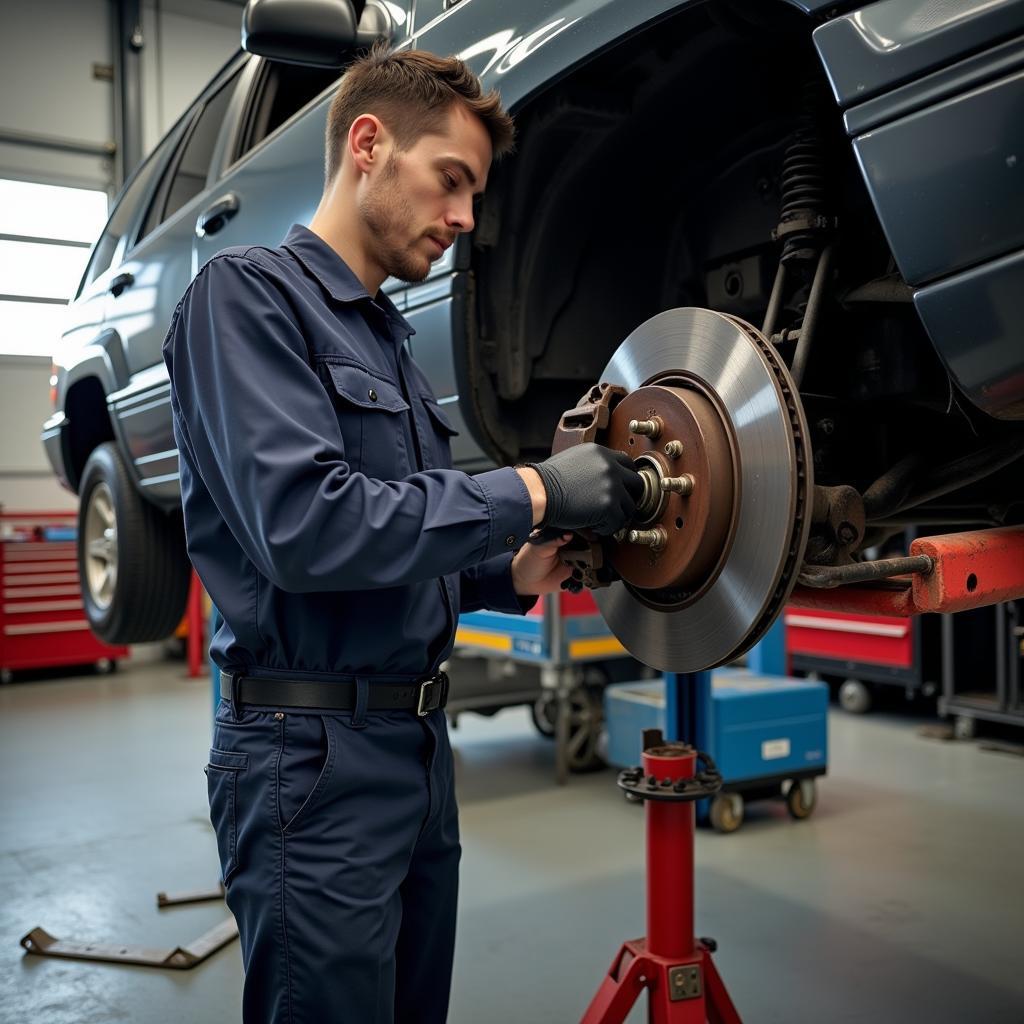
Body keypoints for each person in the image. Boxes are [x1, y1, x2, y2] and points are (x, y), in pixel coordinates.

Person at [163, 44, 642, 1024]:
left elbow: (394, 545)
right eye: (451, 182)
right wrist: (534, 489)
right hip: (310, 758)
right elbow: (306, 531)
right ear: (369, 145)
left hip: (416, 749)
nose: (466, 219)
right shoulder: (245, 298)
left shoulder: (387, 338)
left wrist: (511, 567)